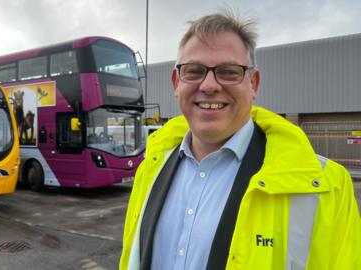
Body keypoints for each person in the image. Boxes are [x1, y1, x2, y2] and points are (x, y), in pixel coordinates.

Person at [120, 9, 361, 270]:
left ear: (253, 84)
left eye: (229, 71)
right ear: (177, 82)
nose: (209, 85)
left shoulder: (328, 187)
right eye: (194, 71)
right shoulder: (150, 169)